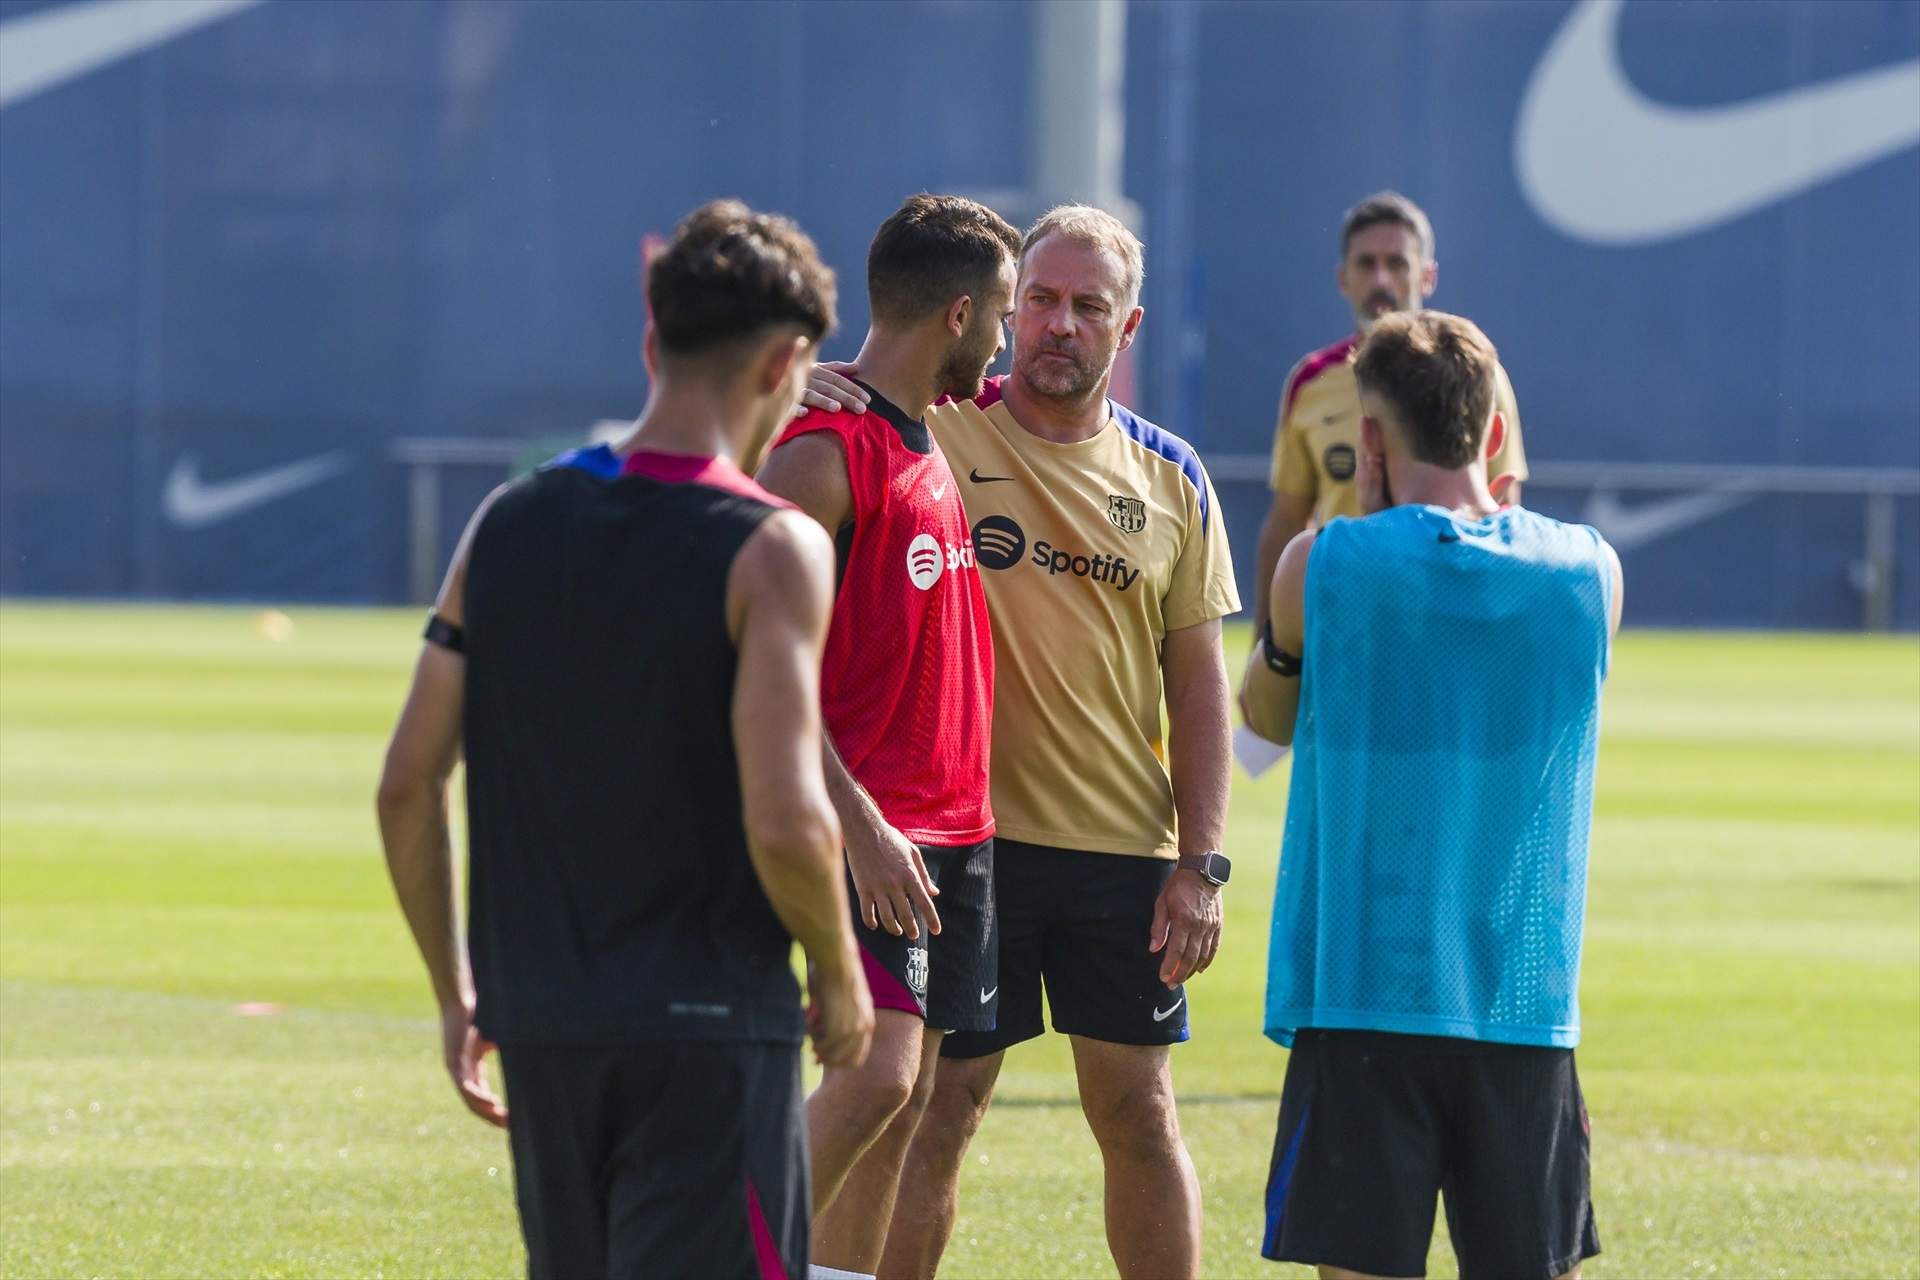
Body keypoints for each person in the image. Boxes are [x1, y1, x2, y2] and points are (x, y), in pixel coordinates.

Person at [375, 199, 873, 1280]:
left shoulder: (502, 524)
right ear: (788, 361)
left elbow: (407, 784)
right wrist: (840, 971)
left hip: (546, 1027)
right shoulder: (773, 546)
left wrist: (457, 990)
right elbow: (787, 814)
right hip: (706, 1034)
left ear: (652, 341)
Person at [809, 203, 1240, 1280]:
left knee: (1137, 1113)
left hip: (1121, 851)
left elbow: (1198, 687)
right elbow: (851, 401)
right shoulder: (938, 421)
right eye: (1036, 298)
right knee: (928, 1105)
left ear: (1126, 328)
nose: (1053, 324)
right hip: (959, 843)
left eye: (1086, 306)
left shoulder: (1172, 476)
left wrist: (1202, 863)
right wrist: (797, 379)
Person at [1242, 310, 1622, 1280]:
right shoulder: (1590, 572)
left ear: (1369, 439)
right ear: (1495, 432)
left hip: (1366, 987)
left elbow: (1262, 727)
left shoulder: (1320, 564)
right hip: (1522, 995)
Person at [754, 193, 1017, 1280]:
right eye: (1005, 310)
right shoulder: (822, 453)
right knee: (877, 1076)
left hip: (959, 835)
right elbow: (747, 660)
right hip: (875, 832)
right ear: (961, 312)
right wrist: (859, 824)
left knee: (900, 1119)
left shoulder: (925, 431)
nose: (1009, 338)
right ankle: (713, 1241)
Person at [1249, 190, 1530, 643]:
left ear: (1428, 274)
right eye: (1366, 264)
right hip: (1344, 626)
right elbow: (1286, 519)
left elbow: (1505, 509)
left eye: (1398, 263)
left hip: (1451, 623)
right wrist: (1268, 642)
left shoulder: (1480, 375)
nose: (1382, 278)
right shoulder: (1312, 383)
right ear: (1343, 278)